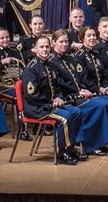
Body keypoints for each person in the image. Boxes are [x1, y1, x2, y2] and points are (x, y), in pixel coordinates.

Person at [48, 30, 108, 156]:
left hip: (78, 94)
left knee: (104, 103)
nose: (64, 44)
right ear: (53, 43)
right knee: (98, 106)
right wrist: (77, 92)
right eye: (61, 42)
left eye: (66, 42)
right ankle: (91, 145)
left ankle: (103, 141)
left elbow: (79, 78)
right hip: (68, 98)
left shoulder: (69, 59)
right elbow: (58, 84)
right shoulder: (51, 61)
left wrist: (83, 89)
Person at [21, 34, 86, 164]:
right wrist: (52, 102)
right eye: (42, 47)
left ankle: (72, 147)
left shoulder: (50, 65)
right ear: (36, 48)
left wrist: (58, 98)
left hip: (52, 104)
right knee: (65, 117)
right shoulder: (31, 69)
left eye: (47, 47)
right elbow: (31, 95)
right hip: (38, 107)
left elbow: (57, 87)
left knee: (77, 113)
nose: (45, 49)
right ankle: (62, 152)